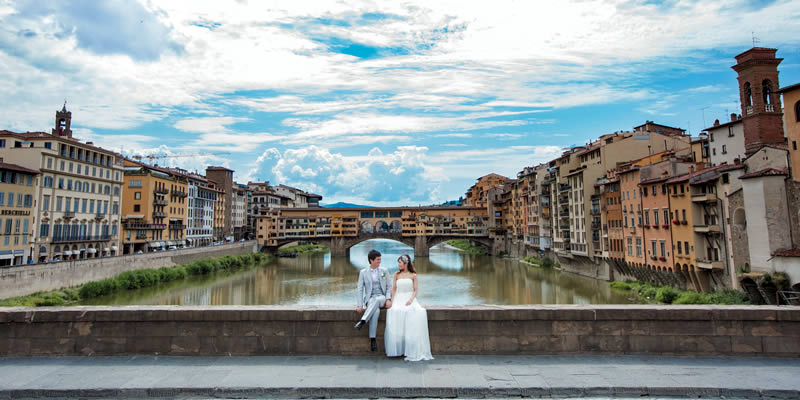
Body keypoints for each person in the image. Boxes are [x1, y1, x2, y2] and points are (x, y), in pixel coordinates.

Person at [384, 254, 433, 361]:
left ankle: (410, 348)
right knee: (394, 312)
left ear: (406, 263)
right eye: (398, 263)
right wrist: (391, 300)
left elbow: (415, 290)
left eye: (400, 262)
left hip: (409, 298)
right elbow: (394, 289)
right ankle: (398, 348)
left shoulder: (413, 275)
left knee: (413, 312)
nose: (398, 265)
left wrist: (411, 300)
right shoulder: (397, 274)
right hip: (398, 298)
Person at [355, 249, 392, 352]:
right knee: (375, 311)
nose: (379, 262)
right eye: (377, 260)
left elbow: (389, 286)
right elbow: (360, 289)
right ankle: (373, 339)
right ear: (371, 260)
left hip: (381, 297)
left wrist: (388, 299)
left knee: (377, 300)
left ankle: (363, 321)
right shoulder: (363, 272)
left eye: (380, 260)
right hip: (370, 298)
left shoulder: (384, 271)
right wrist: (360, 304)